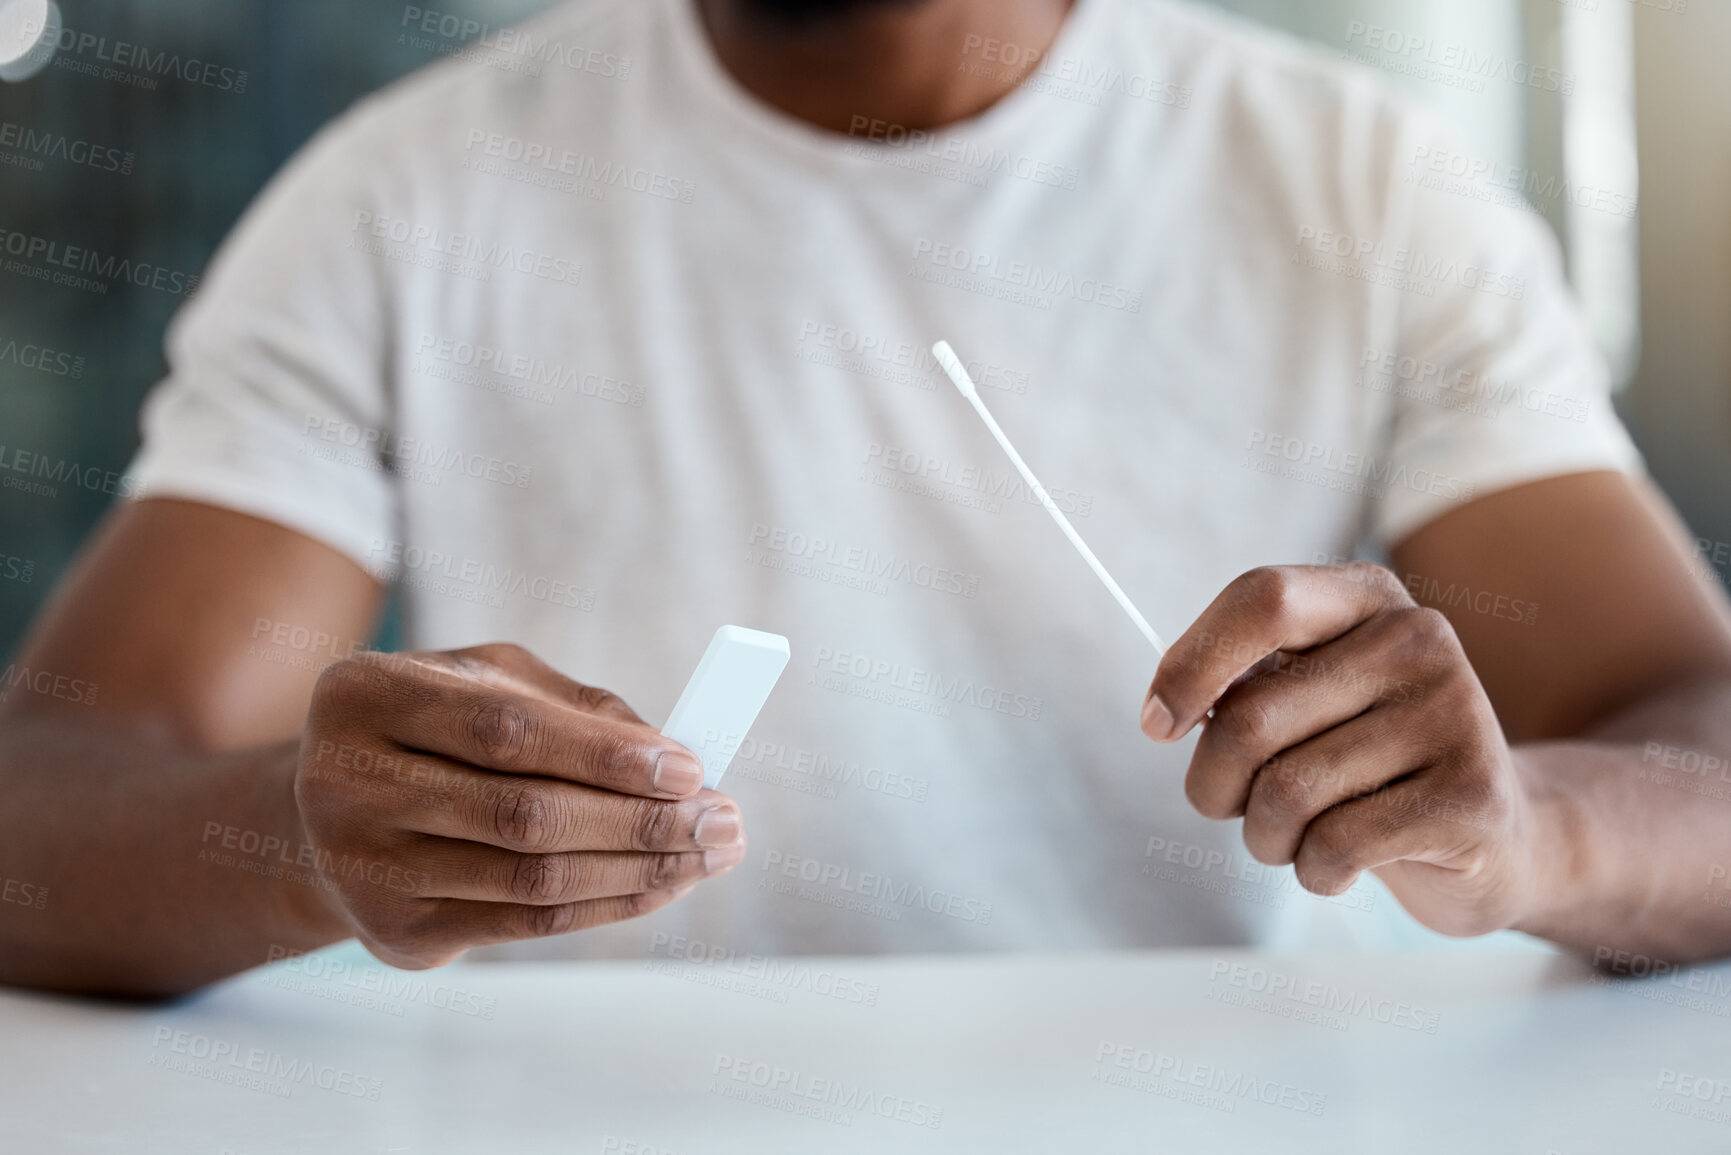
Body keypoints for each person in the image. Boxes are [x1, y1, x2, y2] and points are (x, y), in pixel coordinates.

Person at [2, 0, 1728, 999]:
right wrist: (306, 846)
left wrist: (1521, 833)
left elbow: (1702, 754)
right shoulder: (404, 196)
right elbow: (43, 810)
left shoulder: (1359, 186)